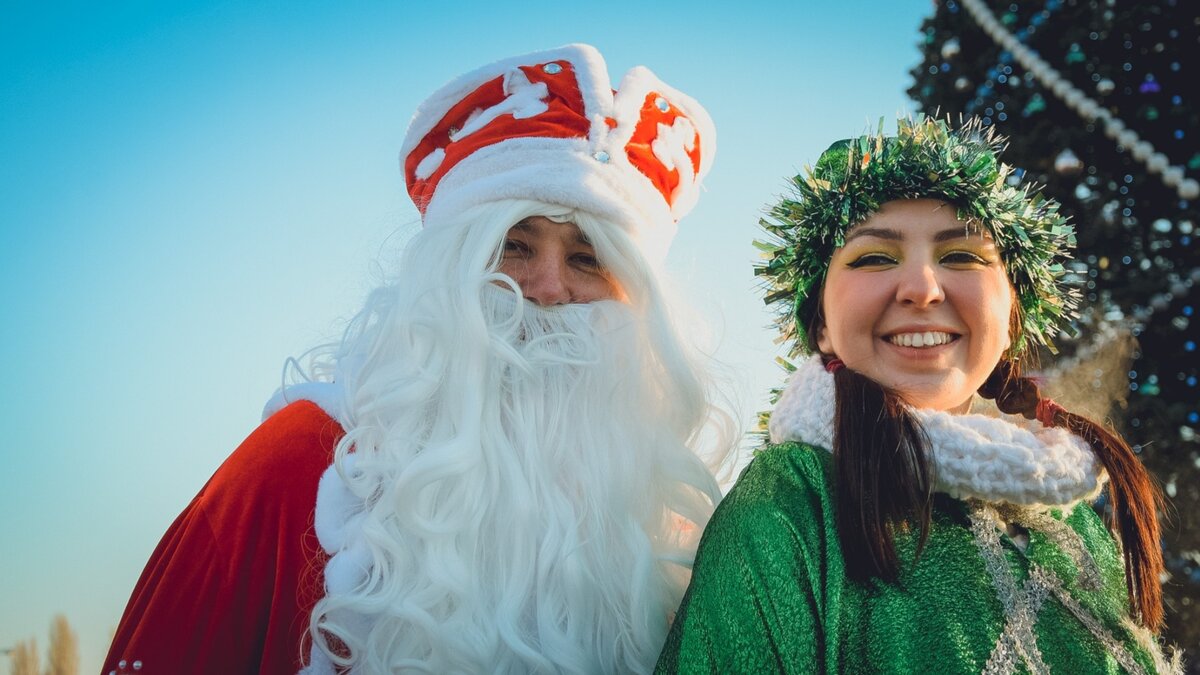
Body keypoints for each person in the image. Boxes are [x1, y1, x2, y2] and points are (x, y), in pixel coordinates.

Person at [104, 43, 736, 675]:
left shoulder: (662, 533)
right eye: (515, 247)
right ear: (448, 275)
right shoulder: (298, 463)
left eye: (586, 259)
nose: (548, 289)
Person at [656, 117, 1182, 673]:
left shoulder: (1073, 517)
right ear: (823, 326)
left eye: (962, 256)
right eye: (874, 258)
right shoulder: (792, 499)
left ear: (1011, 316)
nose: (922, 289)